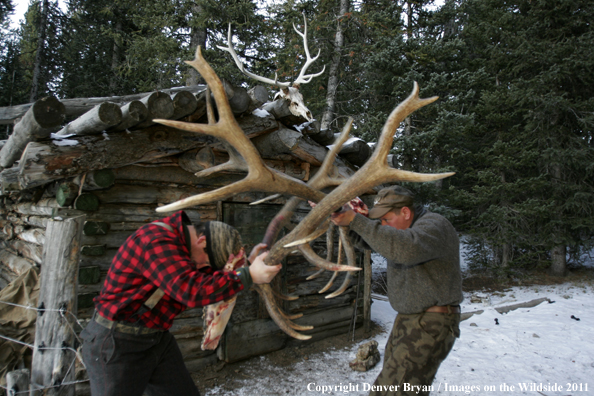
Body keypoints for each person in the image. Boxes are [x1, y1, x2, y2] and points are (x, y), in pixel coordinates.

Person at [80, 210, 280, 396]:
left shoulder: (185, 247)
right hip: (116, 341)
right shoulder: (156, 240)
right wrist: (249, 276)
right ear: (201, 241)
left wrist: (247, 265)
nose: (202, 267)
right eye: (204, 262)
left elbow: (211, 278)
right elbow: (191, 289)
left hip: (156, 339)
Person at [331, 186, 463, 396]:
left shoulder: (434, 225)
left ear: (405, 212)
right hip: (408, 320)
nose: (383, 225)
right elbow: (375, 240)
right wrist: (347, 220)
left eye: (386, 219)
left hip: (431, 323)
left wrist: (357, 220)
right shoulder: (402, 232)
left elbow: (405, 248)